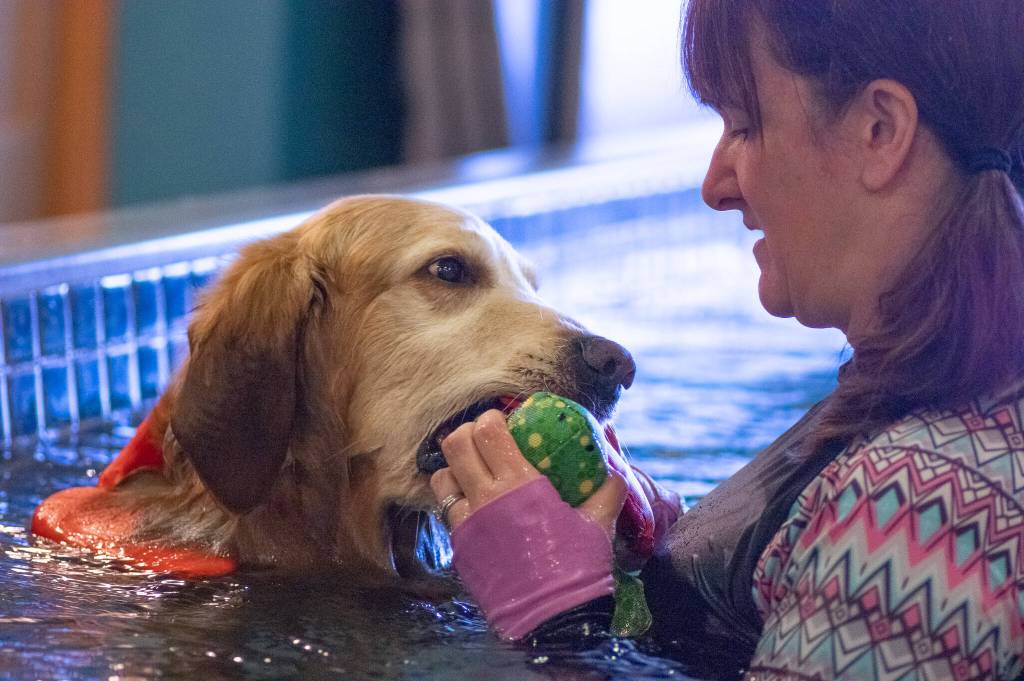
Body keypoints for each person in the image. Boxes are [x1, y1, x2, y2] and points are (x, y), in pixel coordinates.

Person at [430, 0, 1024, 678]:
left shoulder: (919, 507)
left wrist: (561, 629)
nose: (715, 186)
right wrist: (660, 554)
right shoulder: (942, 391)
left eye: (744, 126)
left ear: (880, 130)